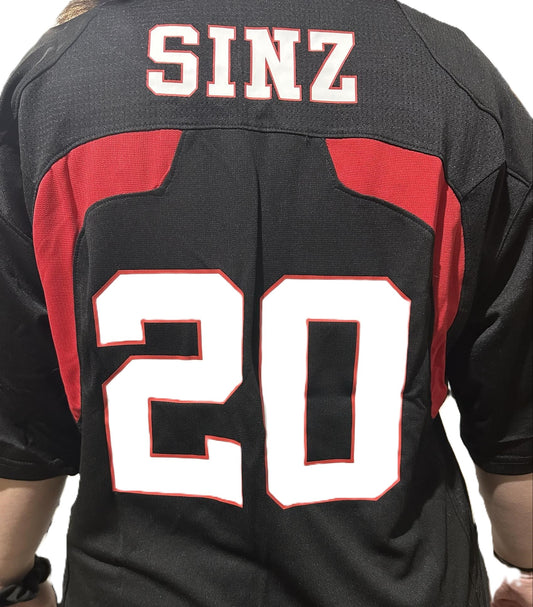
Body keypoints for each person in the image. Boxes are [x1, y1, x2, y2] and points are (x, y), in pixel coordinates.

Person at [0, 0, 531, 605]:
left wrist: (13, 585)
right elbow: (518, 419)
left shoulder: (61, 82)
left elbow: (18, 421)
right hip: (401, 584)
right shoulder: (447, 79)